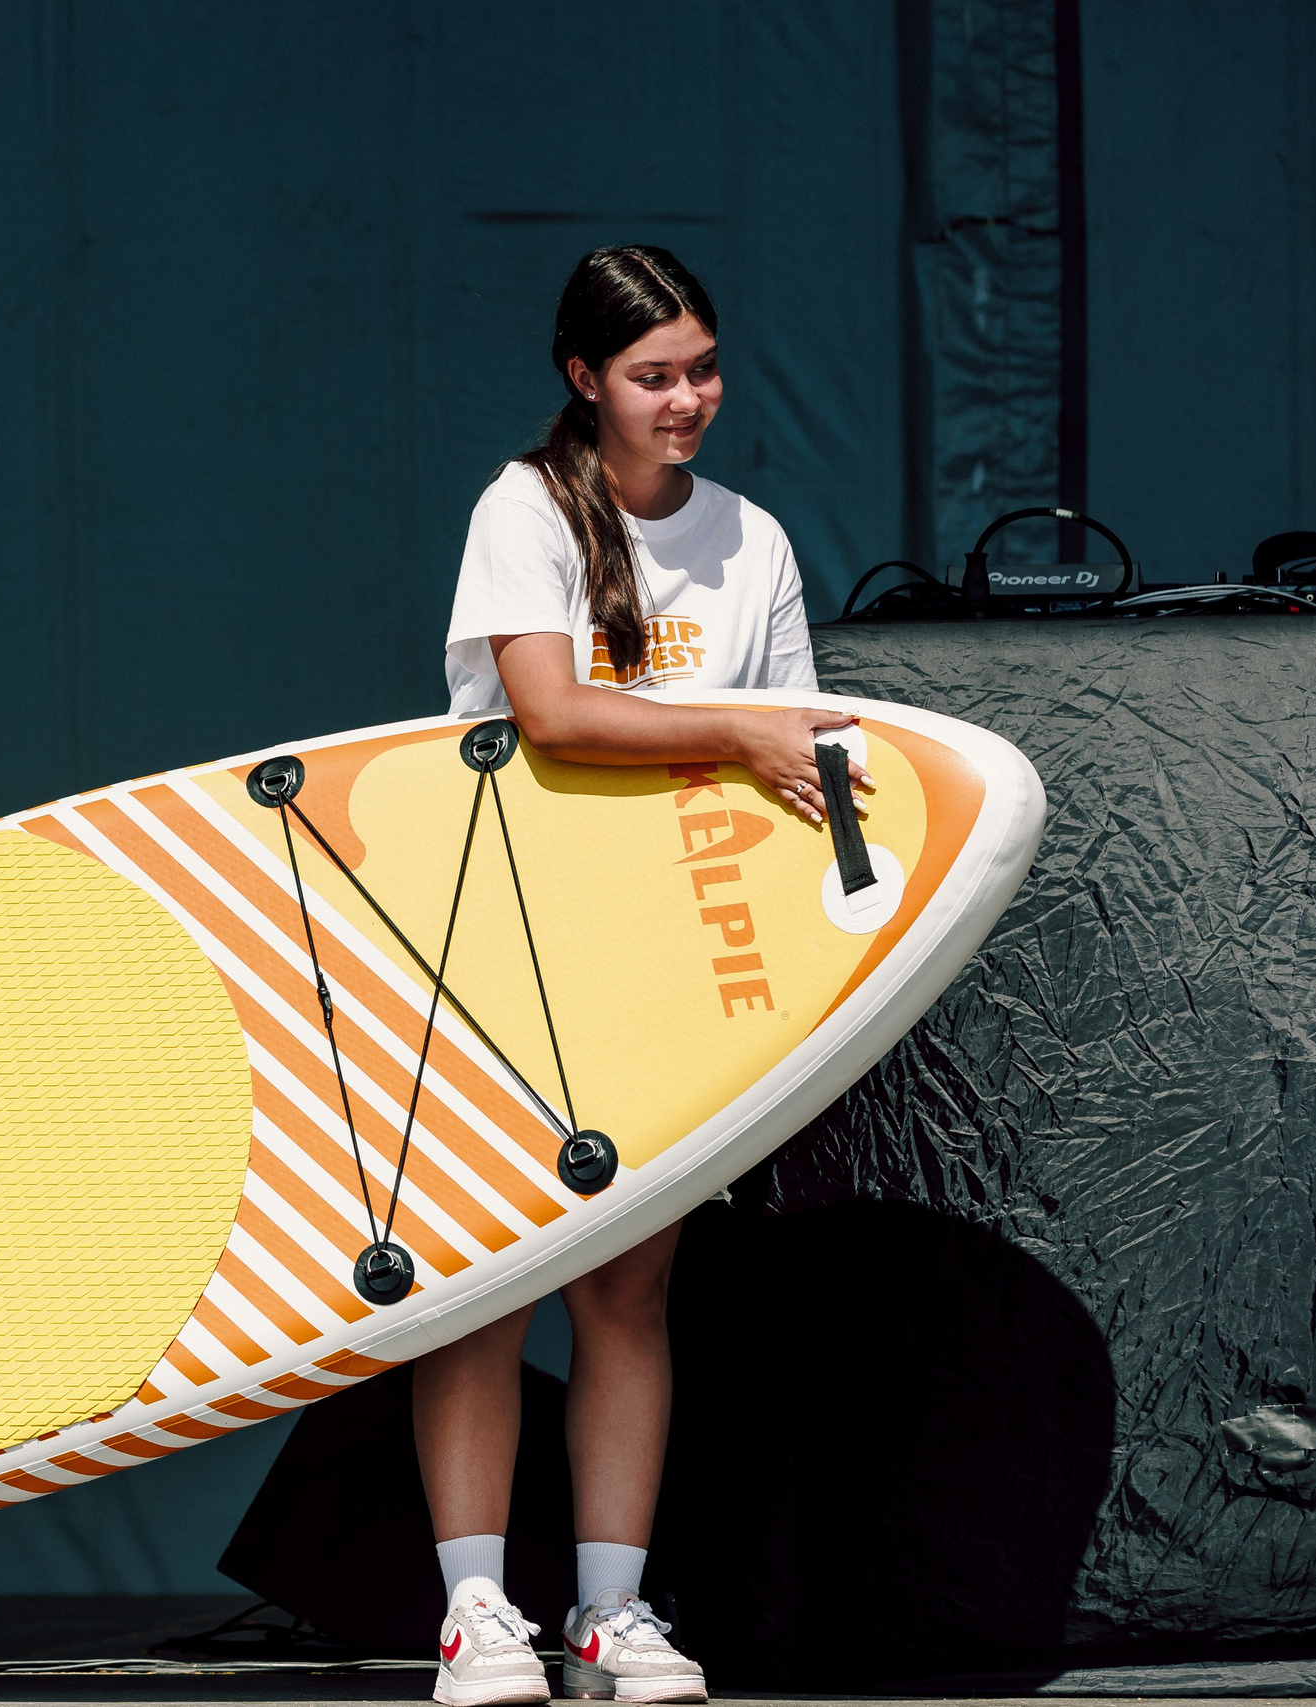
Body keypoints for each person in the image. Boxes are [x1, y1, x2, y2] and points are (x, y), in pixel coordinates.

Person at [424, 247, 866, 1705]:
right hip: (511, 938)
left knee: (627, 1289)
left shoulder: (756, 538)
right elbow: (546, 713)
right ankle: (476, 1609)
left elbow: (806, 742)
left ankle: (608, 1614)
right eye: (653, 374)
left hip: (679, 956)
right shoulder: (525, 507)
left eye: (703, 368)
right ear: (584, 380)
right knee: (490, 1282)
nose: (687, 399)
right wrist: (731, 734)